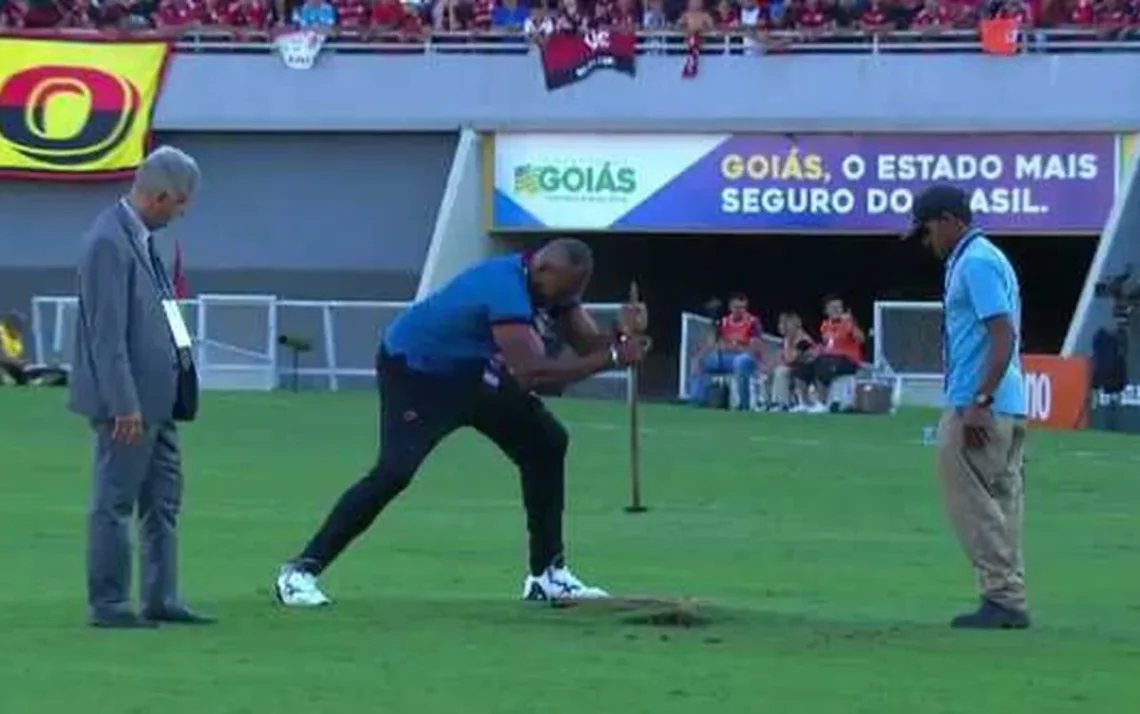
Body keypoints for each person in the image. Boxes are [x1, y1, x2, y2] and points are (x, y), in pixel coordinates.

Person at [275, 239, 648, 607]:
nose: (565, 300)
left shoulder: (554, 287)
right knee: (394, 472)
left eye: (575, 293)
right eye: (564, 290)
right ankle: (299, 573)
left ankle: (547, 576)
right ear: (542, 268)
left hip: (475, 371)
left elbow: (587, 347)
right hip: (418, 372)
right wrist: (614, 356)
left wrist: (623, 337)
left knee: (546, 443)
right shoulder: (503, 289)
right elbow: (537, 376)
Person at [69, 146, 214, 629]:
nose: (184, 212)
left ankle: (161, 597)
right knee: (114, 501)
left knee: (163, 502)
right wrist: (123, 404)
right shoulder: (106, 243)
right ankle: (108, 603)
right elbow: (105, 335)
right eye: (181, 203)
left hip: (160, 398)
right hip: (128, 405)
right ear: (158, 195)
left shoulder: (148, 239)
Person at [905, 183, 1029, 630]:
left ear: (949, 220)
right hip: (1007, 402)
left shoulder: (975, 262)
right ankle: (1008, 595)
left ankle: (1002, 597)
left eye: (926, 230)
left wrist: (979, 400)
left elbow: (1002, 333)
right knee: (1001, 502)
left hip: (979, 403)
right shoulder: (984, 258)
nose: (926, 241)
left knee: (970, 501)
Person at [688, 293, 764, 410]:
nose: (740, 311)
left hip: (745, 358)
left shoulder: (753, 322)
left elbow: (754, 348)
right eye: (736, 307)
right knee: (701, 362)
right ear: (730, 307)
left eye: (743, 308)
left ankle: (744, 405)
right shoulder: (723, 322)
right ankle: (697, 401)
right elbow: (711, 342)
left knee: (740, 362)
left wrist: (735, 346)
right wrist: (698, 358)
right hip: (724, 357)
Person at [0, 311, 68, 387]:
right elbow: (2, 357)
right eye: (18, 324)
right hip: (5, 366)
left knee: (36, 370)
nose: (20, 327)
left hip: (14, 367)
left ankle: (39, 379)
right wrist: (17, 362)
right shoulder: (1, 332)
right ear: (10, 323)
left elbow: (16, 356)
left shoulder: (16, 336)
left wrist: (23, 362)